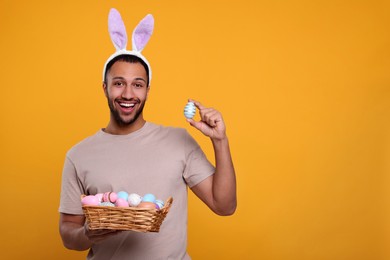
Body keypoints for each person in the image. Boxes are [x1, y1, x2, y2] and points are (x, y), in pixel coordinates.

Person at [59, 9, 236, 260]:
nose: (128, 94)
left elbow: (224, 206)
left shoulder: (179, 142)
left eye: (138, 85)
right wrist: (89, 234)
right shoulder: (78, 155)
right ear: (105, 88)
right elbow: (67, 233)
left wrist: (220, 141)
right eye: (119, 83)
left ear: (147, 90)